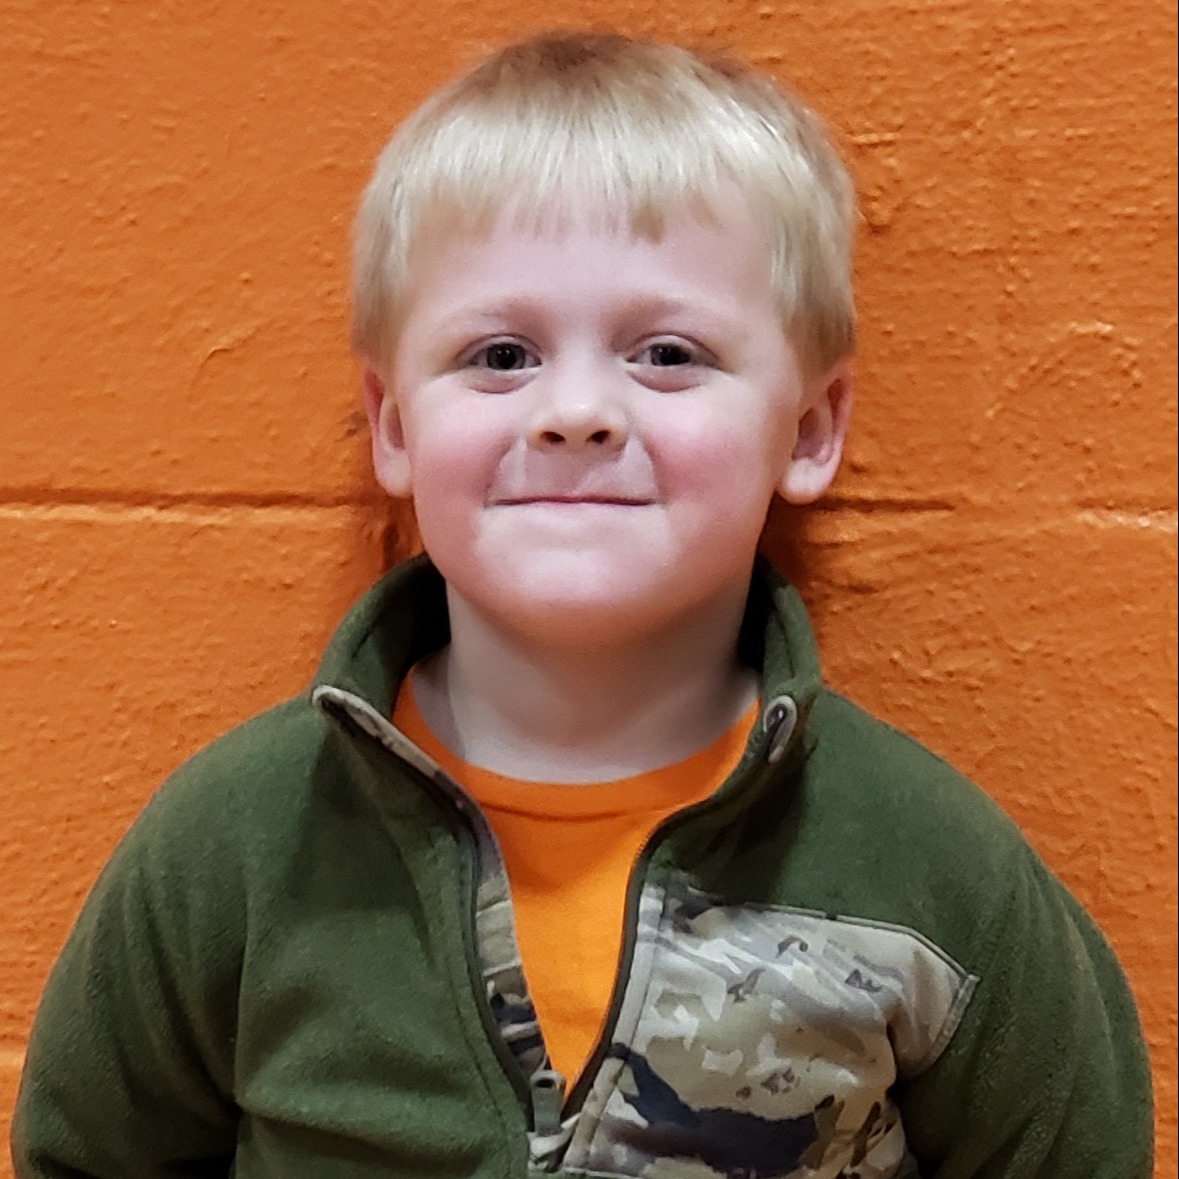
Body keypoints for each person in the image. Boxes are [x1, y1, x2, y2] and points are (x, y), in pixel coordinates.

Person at [11, 30, 1152, 1179]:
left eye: (666, 352)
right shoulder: (236, 848)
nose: (575, 410)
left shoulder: (930, 871)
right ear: (395, 427)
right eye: (500, 354)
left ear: (809, 430)